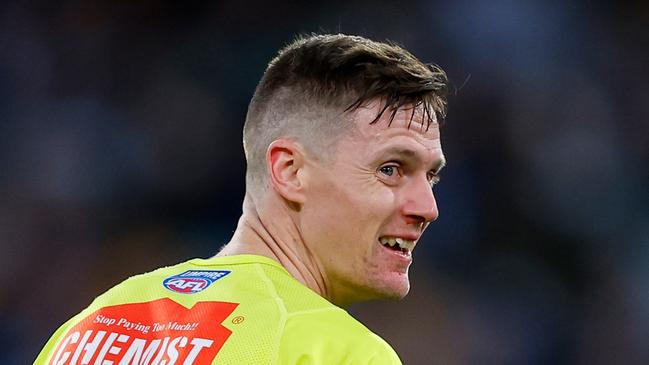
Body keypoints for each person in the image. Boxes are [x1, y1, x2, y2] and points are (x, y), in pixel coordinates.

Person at [34, 33, 448, 365]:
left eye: (431, 176)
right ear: (290, 171)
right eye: (390, 169)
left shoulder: (88, 329)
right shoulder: (334, 353)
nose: (427, 207)